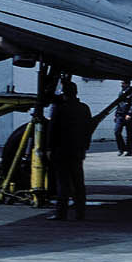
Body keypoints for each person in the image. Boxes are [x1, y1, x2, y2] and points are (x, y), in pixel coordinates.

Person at [48, 79, 93, 221]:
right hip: (77, 150)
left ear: (64, 93)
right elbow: (88, 130)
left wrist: (49, 148)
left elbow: (52, 130)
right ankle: (81, 213)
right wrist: (85, 147)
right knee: (78, 182)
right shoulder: (84, 108)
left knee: (63, 183)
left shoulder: (60, 109)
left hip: (61, 151)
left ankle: (61, 213)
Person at [114, 82, 132, 156]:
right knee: (117, 131)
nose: (121, 84)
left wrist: (129, 114)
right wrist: (116, 115)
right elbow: (118, 104)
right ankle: (121, 149)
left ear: (127, 83)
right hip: (120, 115)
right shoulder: (121, 92)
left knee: (129, 134)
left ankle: (129, 151)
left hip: (127, 115)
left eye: (123, 83)